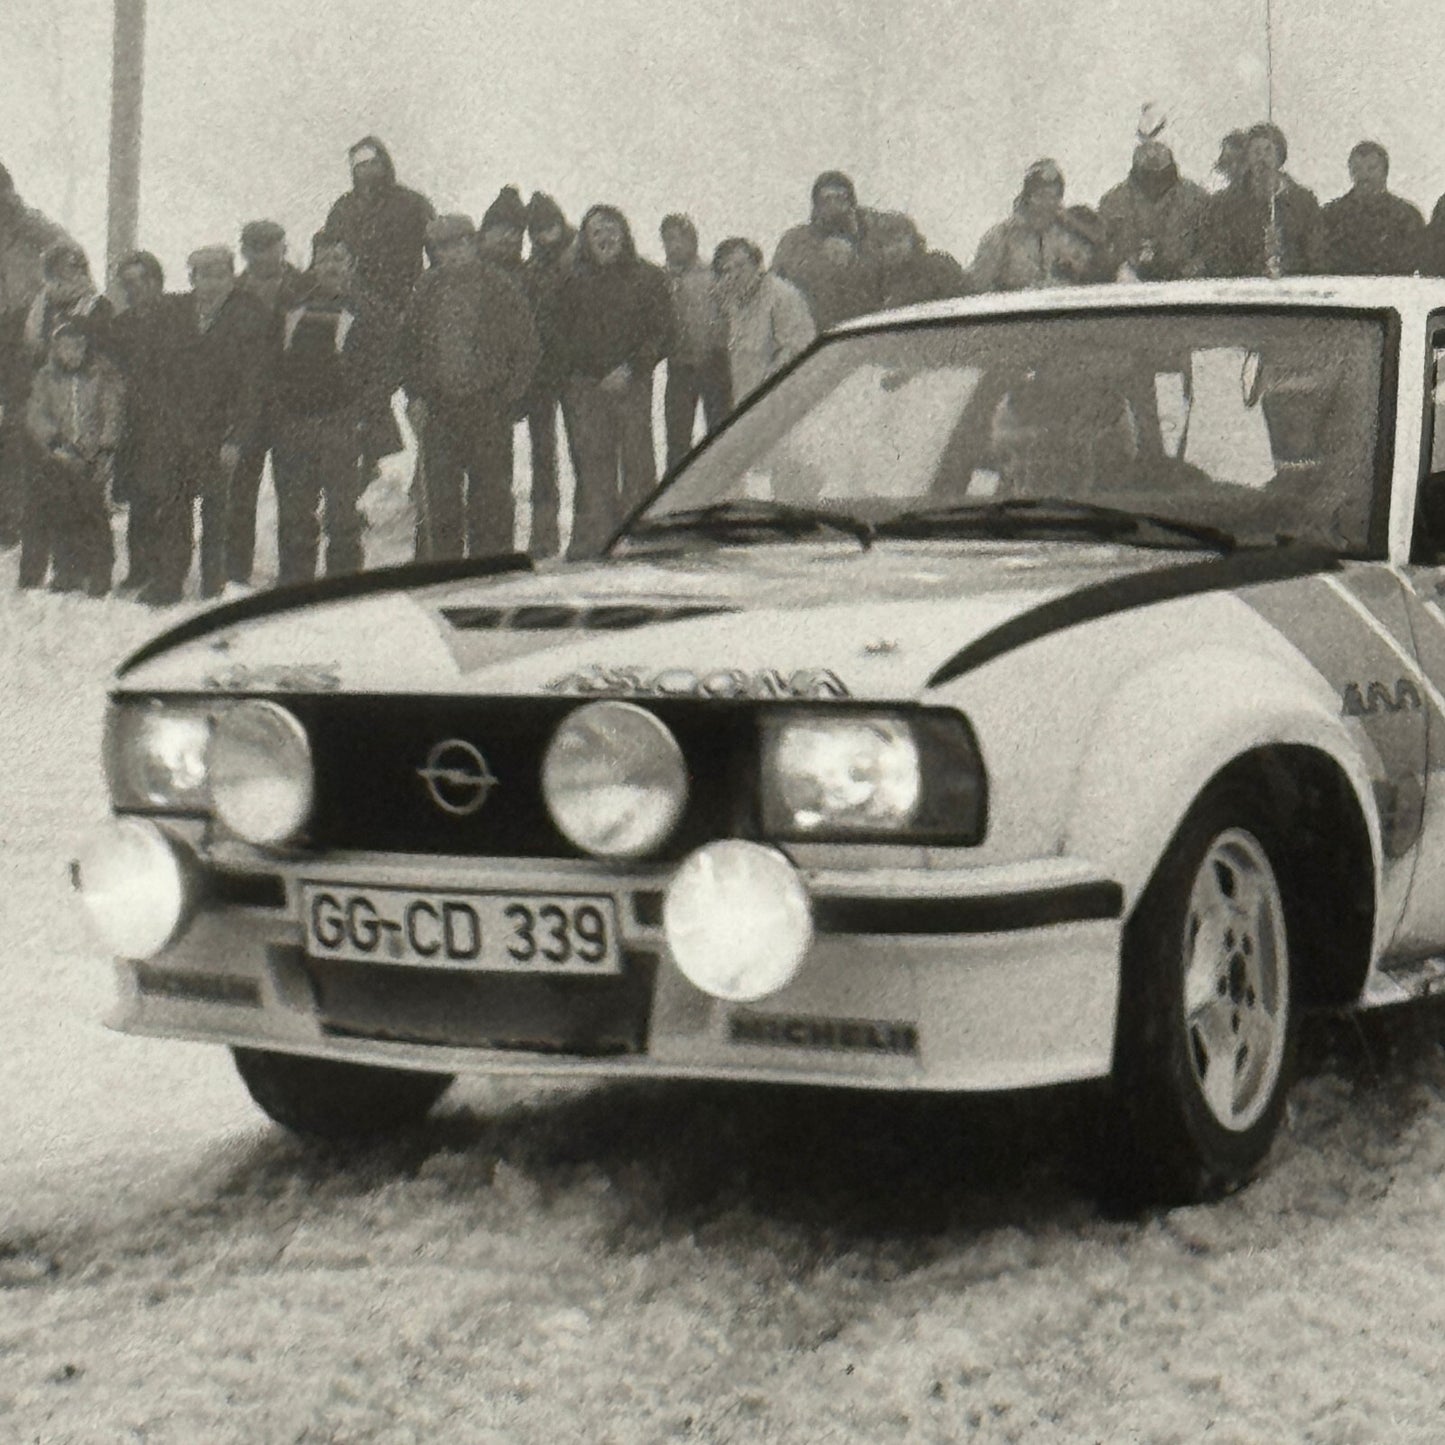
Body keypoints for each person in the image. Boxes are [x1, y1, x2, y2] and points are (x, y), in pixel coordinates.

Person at [133, 246, 270, 606]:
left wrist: (237, 438)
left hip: (219, 432)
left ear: (231, 276)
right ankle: (169, 582)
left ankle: (215, 585)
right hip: (175, 430)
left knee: (218, 510)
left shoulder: (248, 315)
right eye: (202, 275)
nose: (210, 283)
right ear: (192, 278)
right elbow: (153, 369)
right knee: (174, 508)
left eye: (219, 274)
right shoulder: (174, 313)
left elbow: (253, 384)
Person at [397, 215, 539, 562]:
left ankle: (491, 573)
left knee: (491, 502)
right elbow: (407, 346)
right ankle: (439, 572)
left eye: (460, 243)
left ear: (473, 243)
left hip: (487, 407)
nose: (454, 253)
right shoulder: (426, 289)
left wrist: (510, 397)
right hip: (440, 409)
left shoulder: (500, 286)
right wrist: (415, 394)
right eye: (444, 247)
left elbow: (527, 346)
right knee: (440, 502)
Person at [551, 204, 672, 558]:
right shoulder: (569, 280)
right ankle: (600, 544)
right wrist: (591, 372)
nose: (605, 238)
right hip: (585, 388)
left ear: (625, 232)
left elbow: (662, 330)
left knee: (638, 465)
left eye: (611, 229)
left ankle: (640, 542)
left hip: (632, 384)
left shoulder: (648, 277)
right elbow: (556, 334)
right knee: (594, 468)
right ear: (586, 240)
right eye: (596, 232)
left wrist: (632, 368)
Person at [270, 237, 393, 583]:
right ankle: (295, 580)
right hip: (296, 424)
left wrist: (361, 413)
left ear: (351, 264)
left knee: (341, 512)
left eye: (339, 258)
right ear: (314, 265)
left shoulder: (369, 311)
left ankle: (343, 582)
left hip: (341, 425)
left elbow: (384, 370)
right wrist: (282, 411)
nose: (331, 266)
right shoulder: (294, 308)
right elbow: (276, 363)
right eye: (324, 259)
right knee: (296, 510)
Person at [228, 219, 312, 588]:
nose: (263, 255)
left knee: (295, 494)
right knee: (238, 492)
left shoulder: (305, 288)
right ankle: (233, 571)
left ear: (284, 246)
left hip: (291, 404)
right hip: (244, 405)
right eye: (255, 248)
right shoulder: (232, 292)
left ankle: (295, 576)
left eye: (271, 247)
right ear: (245, 251)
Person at [21, 317, 124, 595]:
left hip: (91, 458)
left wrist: (105, 449)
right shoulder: (46, 377)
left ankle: (100, 571)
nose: (72, 354)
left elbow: (112, 413)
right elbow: (36, 414)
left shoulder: (101, 376)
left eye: (78, 348)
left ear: (86, 348)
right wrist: (54, 444)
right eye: (65, 348)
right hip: (61, 457)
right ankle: (68, 570)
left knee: (93, 515)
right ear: (56, 349)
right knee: (63, 513)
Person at [0, 164, 75, 546]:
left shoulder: (35, 228)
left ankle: (16, 518)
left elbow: (72, 261)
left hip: (23, 329)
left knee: (20, 422)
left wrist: (54, 309)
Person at [109, 250, 178, 595]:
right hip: (134, 423)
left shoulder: (179, 316)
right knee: (139, 498)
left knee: (167, 497)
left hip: (170, 420)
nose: (130, 290)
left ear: (154, 281)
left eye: (135, 282)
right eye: (125, 285)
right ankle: (139, 569)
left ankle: (166, 571)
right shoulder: (121, 325)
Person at [323, 137, 435, 317]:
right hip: (356, 303)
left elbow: (435, 250)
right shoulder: (343, 208)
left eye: (373, 163)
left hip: (404, 300)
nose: (367, 170)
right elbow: (327, 252)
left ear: (385, 164)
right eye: (361, 166)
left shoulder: (413, 203)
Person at [520, 191, 575, 557]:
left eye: (549, 227)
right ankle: (544, 533)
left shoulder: (580, 258)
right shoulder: (533, 265)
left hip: (577, 370)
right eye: (538, 230)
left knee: (585, 451)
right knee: (543, 453)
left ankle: (592, 526)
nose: (545, 235)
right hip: (543, 371)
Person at [1200, 122, 1326, 278]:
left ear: (1280, 156)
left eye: (1268, 150)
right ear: (1248, 157)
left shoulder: (1303, 202)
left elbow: (1316, 253)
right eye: (1256, 151)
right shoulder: (1226, 204)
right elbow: (1218, 253)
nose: (1262, 158)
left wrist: (1287, 264)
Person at [771, 171, 886, 329]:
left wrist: (856, 255)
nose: (834, 206)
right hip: (812, 334)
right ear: (816, 205)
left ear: (852, 202)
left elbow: (886, 281)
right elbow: (775, 287)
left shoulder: (872, 240)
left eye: (840, 198)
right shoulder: (794, 243)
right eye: (826, 199)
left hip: (862, 332)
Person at [659, 213, 729, 468]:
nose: (675, 245)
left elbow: (729, 316)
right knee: (677, 441)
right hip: (679, 368)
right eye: (668, 239)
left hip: (714, 364)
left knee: (720, 435)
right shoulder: (659, 279)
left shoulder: (713, 275)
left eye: (681, 238)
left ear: (694, 241)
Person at [967, 160, 1100, 290]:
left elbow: (1092, 277)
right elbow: (979, 288)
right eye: (1041, 195)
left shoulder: (1067, 237)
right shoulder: (1001, 238)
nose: (1048, 203)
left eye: (1054, 196)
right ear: (1028, 198)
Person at [712, 237, 816, 404]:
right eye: (727, 270)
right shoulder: (734, 304)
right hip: (746, 402)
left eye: (740, 266)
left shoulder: (782, 296)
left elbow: (796, 351)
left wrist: (764, 393)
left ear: (757, 264)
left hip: (781, 400)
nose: (735, 275)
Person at [1097, 139, 1209, 280]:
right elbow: (1102, 251)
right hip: (1129, 285)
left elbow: (1210, 248)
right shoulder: (1113, 202)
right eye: (1147, 175)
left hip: (1185, 284)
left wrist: (1192, 270)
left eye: (1162, 174)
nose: (1155, 182)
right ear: (1137, 172)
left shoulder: (1196, 199)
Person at [1322, 142, 1424, 275]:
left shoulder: (1407, 216)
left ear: (1385, 171)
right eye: (1357, 168)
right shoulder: (1331, 215)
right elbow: (1321, 259)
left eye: (1372, 168)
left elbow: (1416, 260)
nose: (1364, 176)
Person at [871, 213, 967, 308]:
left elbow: (963, 301)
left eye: (899, 240)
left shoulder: (938, 266)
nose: (893, 249)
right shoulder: (878, 280)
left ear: (913, 239)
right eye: (885, 244)